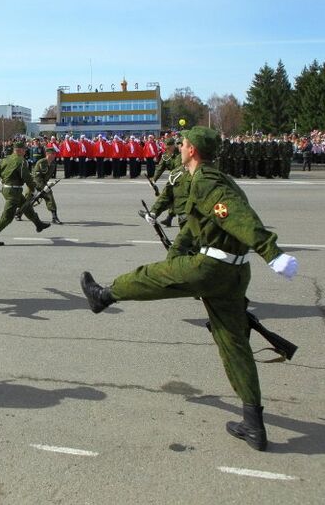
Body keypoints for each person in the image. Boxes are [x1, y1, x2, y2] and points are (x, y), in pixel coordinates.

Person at [80, 126, 299, 451]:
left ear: (192, 149)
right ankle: (253, 426)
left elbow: (237, 216)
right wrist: (173, 258)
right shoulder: (211, 179)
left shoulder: (208, 182)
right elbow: (193, 229)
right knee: (233, 345)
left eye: (182, 144)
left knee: (146, 277)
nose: (178, 147)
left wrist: (271, 252)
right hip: (236, 272)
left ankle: (104, 296)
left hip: (213, 268)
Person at [0, 141, 51, 246]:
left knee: (27, 206)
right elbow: (26, 177)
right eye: (24, 149)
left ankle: (38, 224)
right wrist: (34, 189)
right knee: (7, 217)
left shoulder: (6, 159)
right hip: (13, 191)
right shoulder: (21, 161)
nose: (25, 151)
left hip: (8, 190)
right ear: (19, 150)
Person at [25, 146, 62, 224]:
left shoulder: (53, 164)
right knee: (27, 200)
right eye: (52, 154)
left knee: (50, 196)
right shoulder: (40, 162)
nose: (54, 156)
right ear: (47, 154)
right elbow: (36, 176)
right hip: (34, 183)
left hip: (44, 184)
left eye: (54, 154)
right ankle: (18, 213)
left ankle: (54, 217)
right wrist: (43, 186)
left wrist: (48, 185)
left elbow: (46, 177)